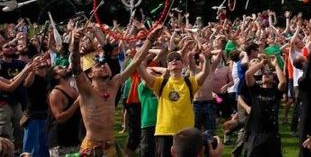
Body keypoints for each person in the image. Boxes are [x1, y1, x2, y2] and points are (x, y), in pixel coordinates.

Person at [70, 25, 159, 157]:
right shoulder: (86, 90)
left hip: (110, 146)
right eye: (98, 65)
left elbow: (136, 61)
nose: (103, 65)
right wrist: (75, 42)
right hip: (92, 147)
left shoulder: (114, 83)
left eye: (103, 63)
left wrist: (151, 38)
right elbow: (76, 67)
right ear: (89, 75)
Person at [136, 46, 213, 157]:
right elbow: (144, 74)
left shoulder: (190, 82)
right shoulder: (160, 82)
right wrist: (138, 60)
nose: (174, 60)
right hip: (164, 132)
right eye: (171, 59)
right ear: (167, 66)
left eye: (177, 58)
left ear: (183, 64)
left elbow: (205, 73)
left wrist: (206, 59)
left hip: (186, 134)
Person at [243, 55, 287, 157]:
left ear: (274, 79)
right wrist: (261, 64)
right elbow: (248, 74)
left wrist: (276, 65)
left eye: (270, 74)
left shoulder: (275, 92)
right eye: (264, 74)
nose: (266, 74)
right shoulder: (256, 89)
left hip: (272, 133)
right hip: (256, 133)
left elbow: (283, 82)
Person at [47, 64, 82, 157]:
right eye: (59, 68)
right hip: (60, 141)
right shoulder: (56, 93)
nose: (64, 66)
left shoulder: (73, 89)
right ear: (56, 76)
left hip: (74, 138)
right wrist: (77, 102)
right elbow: (60, 118)